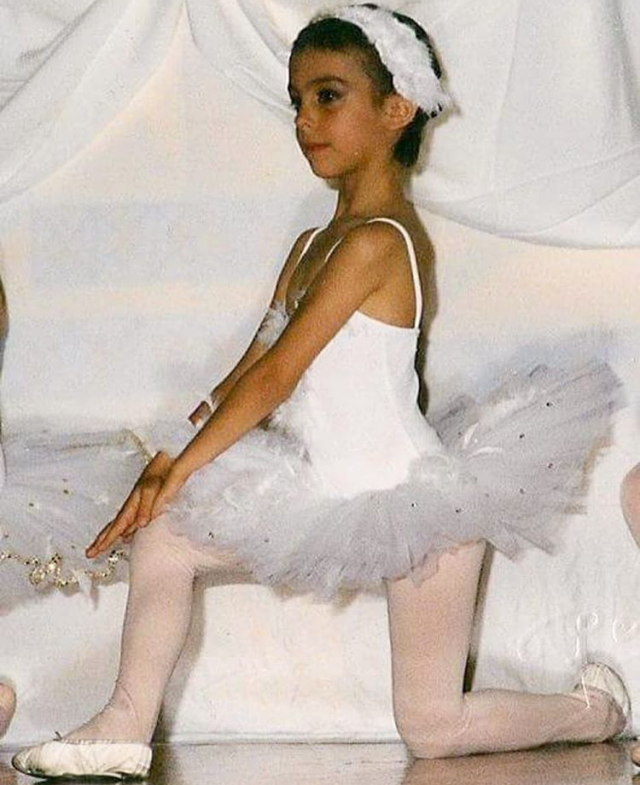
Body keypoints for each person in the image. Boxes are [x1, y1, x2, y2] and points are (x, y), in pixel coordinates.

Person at [12, 4, 633, 779]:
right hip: (319, 489)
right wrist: (176, 451)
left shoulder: (378, 241)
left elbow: (280, 375)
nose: (305, 119)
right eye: (298, 100)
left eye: (329, 96)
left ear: (397, 110)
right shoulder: (313, 242)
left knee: (431, 727)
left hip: (414, 504)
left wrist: (174, 469)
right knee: (166, 535)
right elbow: (249, 366)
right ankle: (123, 725)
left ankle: (596, 711)